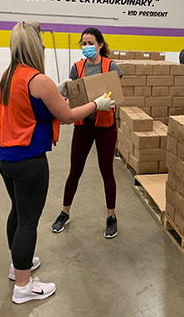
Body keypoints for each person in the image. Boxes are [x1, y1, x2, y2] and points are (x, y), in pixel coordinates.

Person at [0, 21, 115, 304]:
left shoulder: (8, 75)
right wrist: (98, 105)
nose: (45, 48)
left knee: (18, 211)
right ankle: (23, 285)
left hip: (3, 155)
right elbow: (68, 115)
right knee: (28, 221)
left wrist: (55, 92)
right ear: (35, 46)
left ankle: (17, 265)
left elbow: (32, 106)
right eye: (42, 43)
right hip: (27, 159)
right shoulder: (38, 79)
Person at [51, 27, 123, 239]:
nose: (86, 47)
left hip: (105, 125)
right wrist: (64, 95)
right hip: (83, 125)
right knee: (75, 170)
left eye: (90, 43)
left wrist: (101, 100)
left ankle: (111, 216)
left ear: (100, 45)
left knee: (106, 170)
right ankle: (65, 212)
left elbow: (115, 94)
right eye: (83, 43)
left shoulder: (111, 66)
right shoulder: (77, 67)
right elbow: (73, 97)